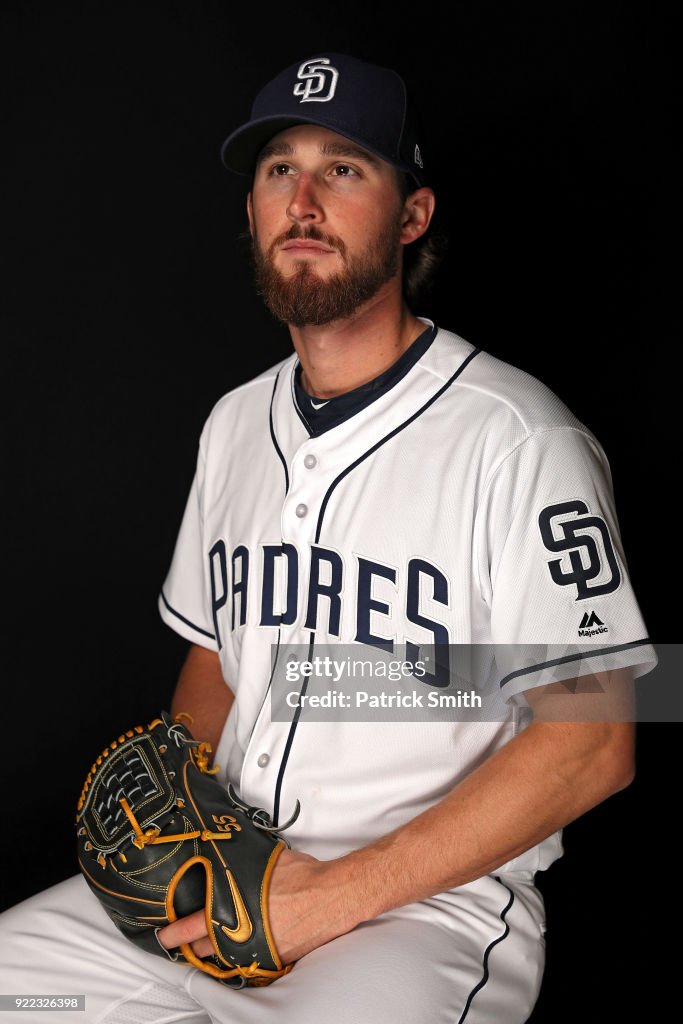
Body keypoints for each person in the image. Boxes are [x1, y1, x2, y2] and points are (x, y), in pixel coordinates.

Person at [0, 52, 656, 1024]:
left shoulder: (520, 437)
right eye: (278, 169)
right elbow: (216, 661)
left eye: (343, 167)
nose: (302, 198)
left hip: (419, 911)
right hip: (222, 877)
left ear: (412, 213)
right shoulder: (232, 423)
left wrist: (323, 901)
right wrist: (177, 832)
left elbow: (591, 740)